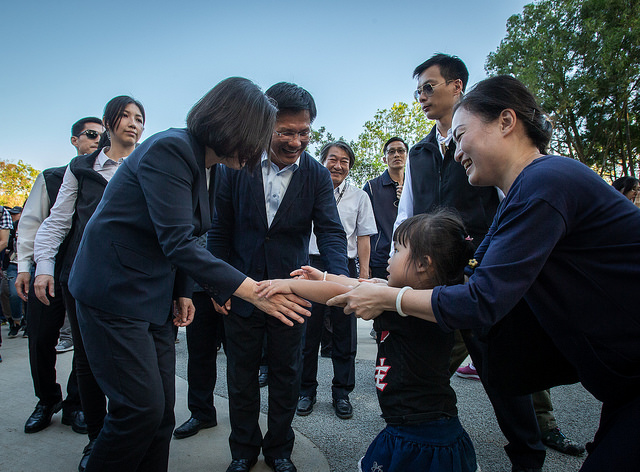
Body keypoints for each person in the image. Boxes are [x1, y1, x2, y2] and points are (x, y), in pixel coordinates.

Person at [328, 75, 640, 472]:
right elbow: (473, 278)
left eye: (461, 135)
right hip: (622, 379)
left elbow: (481, 299)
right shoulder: (522, 193)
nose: (456, 152)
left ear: (506, 122)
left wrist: (391, 298)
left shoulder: (548, 181)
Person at [67, 77, 310, 472]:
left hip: (154, 297)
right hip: (113, 293)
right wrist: (251, 290)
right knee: (138, 411)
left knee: (161, 414)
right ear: (234, 125)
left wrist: (182, 290)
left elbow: (191, 236)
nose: (260, 146)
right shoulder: (171, 149)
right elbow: (178, 241)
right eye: (259, 134)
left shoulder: (211, 166)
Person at [393, 53, 547, 472]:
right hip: (430, 280)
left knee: (501, 370)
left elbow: (509, 204)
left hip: (481, 275)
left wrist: (494, 264)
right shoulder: (420, 153)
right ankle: (425, 445)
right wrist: (396, 268)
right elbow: (405, 216)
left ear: (457, 86)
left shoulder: (489, 148)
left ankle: (529, 451)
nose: (422, 96)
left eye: (429, 86)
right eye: (418, 90)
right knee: (422, 368)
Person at [258, 210, 479, 472]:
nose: (389, 255)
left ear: (423, 264)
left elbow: (349, 291)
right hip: (421, 423)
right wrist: (325, 276)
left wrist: (287, 285)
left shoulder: (404, 308)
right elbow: (361, 282)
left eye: (397, 250)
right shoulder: (421, 300)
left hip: (420, 435)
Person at [208, 82, 349, 472]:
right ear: (265, 125)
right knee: (240, 377)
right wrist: (219, 285)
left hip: (292, 295)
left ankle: (279, 451)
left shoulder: (318, 176)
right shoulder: (237, 166)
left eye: (304, 132)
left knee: (288, 376)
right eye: (285, 132)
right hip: (242, 291)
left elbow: (332, 231)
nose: (295, 141)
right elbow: (219, 230)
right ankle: (242, 451)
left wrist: (337, 277)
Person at [34, 99, 143, 471]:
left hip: (130, 282)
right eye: (125, 116)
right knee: (88, 359)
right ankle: (96, 439)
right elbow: (58, 221)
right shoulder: (79, 168)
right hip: (80, 279)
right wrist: (43, 267)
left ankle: (125, 434)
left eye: (140, 118)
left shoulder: (147, 165)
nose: (133, 123)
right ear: (108, 122)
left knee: (129, 365)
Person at [16, 117, 103, 439]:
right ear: (74, 140)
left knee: (84, 344)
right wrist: (28, 266)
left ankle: (76, 404)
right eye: (91, 134)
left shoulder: (112, 178)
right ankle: (46, 400)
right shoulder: (52, 178)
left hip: (85, 275)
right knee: (40, 338)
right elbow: (32, 222)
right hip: (47, 271)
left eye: (101, 135)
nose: (97, 140)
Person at [297, 141, 376, 420]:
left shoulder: (359, 197)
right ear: (322, 161)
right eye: (332, 159)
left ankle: (341, 393)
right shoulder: (306, 190)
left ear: (350, 166)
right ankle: (306, 391)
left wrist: (363, 274)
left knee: (344, 335)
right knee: (308, 333)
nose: (338, 165)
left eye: (344, 161)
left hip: (345, 267)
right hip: (310, 265)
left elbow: (364, 236)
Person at [363, 137, 407, 280]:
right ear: (384, 158)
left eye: (401, 151)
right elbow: (363, 227)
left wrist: (406, 199)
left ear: (407, 156)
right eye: (391, 152)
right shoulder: (371, 187)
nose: (396, 155)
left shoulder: (414, 185)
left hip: (409, 256)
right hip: (380, 259)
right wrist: (365, 263)